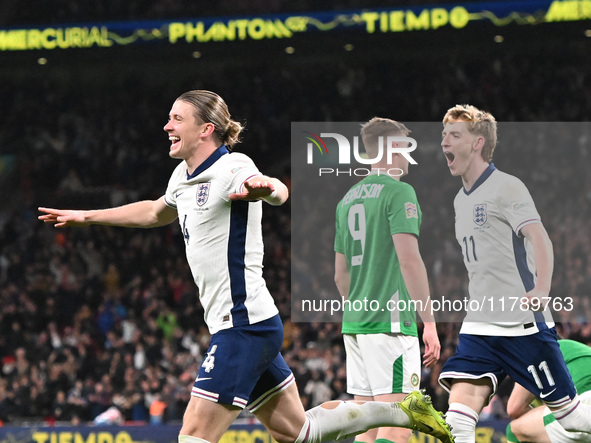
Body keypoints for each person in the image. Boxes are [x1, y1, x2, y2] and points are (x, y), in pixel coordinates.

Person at [39, 90, 454, 443]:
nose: (167, 125)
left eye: (176, 118)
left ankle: (404, 411)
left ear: (206, 129)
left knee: (194, 433)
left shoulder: (232, 167)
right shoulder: (181, 177)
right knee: (300, 432)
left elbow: (275, 191)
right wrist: (86, 216)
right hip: (239, 324)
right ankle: (402, 413)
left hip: (245, 324)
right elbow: (152, 212)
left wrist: (267, 188)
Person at [437, 104, 591, 443]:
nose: (445, 143)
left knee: (574, 418)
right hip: (479, 325)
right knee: (458, 419)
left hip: (521, 323)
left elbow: (539, 238)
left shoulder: (507, 187)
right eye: (444, 135)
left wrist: (542, 288)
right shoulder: (460, 201)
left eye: (454, 135)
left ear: (477, 143)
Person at [334, 117, 441, 443]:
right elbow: (410, 261)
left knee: (366, 426)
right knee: (399, 422)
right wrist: (430, 322)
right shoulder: (398, 192)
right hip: (390, 323)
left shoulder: (347, 199)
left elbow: (340, 276)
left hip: (356, 323)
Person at [506, 339, 591, 443]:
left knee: (514, 430)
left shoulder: (539, 351)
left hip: (583, 404)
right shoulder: (577, 349)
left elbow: (514, 408)